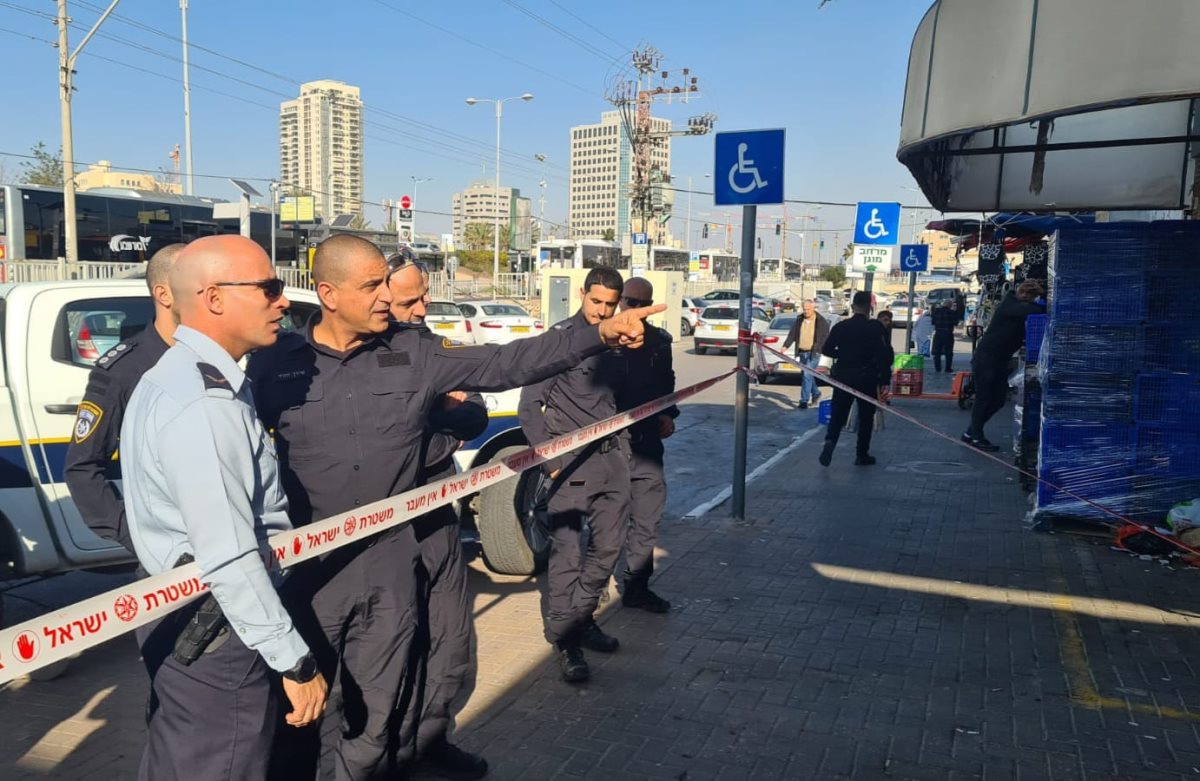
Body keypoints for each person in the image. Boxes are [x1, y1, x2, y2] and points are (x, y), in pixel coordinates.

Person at [247, 237, 661, 780]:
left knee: (379, 710)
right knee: (302, 713)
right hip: (311, 568)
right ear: (328, 293)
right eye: (372, 287)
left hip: (390, 562)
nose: (387, 298)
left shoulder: (415, 353)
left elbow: (507, 362)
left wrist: (596, 334)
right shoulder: (274, 364)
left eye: (386, 286)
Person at [121, 235, 328, 781]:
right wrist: (293, 659)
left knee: (181, 761)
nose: (283, 301)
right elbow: (229, 553)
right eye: (269, 288)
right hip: (218, 626)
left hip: (192, 614)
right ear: (213, 298)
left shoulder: (181, 375)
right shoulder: (204, 403)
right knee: (220, 763)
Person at [386, 251, 489, 779]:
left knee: (448, 634)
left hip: (436, 516)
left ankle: (430, 738)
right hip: (380, 529)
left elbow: (475, 411)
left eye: (425, 295)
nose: (424, 307)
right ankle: (386, 751)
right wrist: (441, 417)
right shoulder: (362, 358)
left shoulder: (433, 347)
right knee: (390, 643)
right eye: (411, 300)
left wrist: (447, 418)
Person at [518, 266, 632, 684]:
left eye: (610, 304)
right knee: (567, 555)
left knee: (609, 548)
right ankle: (565, 638)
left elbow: (626, 399)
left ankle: (582, 618)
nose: (602, 311)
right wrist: (550, 461)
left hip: (612, 461)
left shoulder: (619, 341)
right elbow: (529, 407)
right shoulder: (560, 340)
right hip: (569, 465)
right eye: (595, 301)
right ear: (582, 293)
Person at [65, 243, 186, 551]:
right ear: (164, 294)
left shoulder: (217, 356)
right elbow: (82, 468)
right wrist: (141, 539)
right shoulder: (124, 369)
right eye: (195, 283)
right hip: (175, 558)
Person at [614, 276, 676, 614]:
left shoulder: (659, 342)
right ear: (620, 300)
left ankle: (637, 587)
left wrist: (668, 414)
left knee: (647, 520)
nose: (635, 309)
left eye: (642, 304)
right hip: (609, 446)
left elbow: (666, 383)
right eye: (630, 302)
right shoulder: (602, 340)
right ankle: (590, 592)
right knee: (607, 522)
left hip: (647, 444)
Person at [962, 280, 1046, 452]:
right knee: (984, 398)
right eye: (1031, 297)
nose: (1032, 300)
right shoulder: (1009, 306)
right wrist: (1044, 300)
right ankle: (976, 436)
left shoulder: (1017, 305)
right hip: (986, 359)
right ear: (1023, 294)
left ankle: (971, 432)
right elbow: (1036, 311)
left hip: (999, 359)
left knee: (999, 399)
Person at [817, 292, 892, 467]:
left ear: (852, 307)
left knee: (838, 414)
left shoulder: (841, 327)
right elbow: (885, 356)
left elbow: (826, 350)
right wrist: (884, 380)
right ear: (870, 308)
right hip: (867, 377)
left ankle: (830, 441)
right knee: (866, 418)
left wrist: (843, 355)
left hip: (844, 376)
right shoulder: (876, 328)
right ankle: (861, 454)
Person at [782, 299, 831, 410]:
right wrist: (785, 346)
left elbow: (825, 337)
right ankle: (816, 393)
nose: (806, 311)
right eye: (804, 309)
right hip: (802, 353)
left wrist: (819, 349)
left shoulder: (821, 321)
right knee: (808, 375)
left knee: (807, 374)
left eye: (808, 309)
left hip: (814, 353)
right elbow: (792, 334)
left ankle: (804, 400)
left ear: (813, 308)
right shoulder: (799, 319)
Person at [931, 300, 958, 373]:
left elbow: (933, 322)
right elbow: (956, 322)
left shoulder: (936, 311)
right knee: (949, 352)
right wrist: (955, 311)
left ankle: (938, 368)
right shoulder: (952, 312)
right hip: (948, 334)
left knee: (937, 352)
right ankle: (947, 368)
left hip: (938, 333)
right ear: (950, 305)